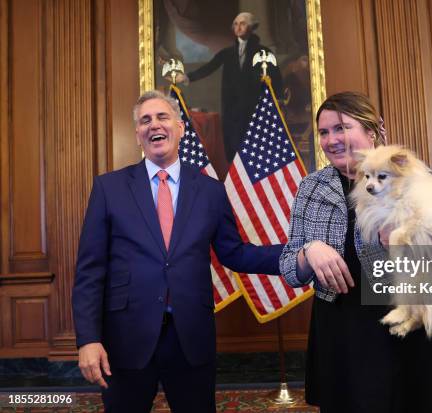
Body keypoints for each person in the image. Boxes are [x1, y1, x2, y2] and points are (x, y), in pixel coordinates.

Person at [279, 91, 432, 412]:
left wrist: (417, 239)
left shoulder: (411, 176)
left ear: (371, 131)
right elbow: (288, 267)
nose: (331, 140)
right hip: (346, 334)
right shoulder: (312, 187)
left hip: (416, 329)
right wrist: (310, 250)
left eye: (341, 128)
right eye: (323, 132)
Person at [72, 90, 283, 413]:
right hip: (126, 338)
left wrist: (294, 256)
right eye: (145, 120)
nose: (153, 125)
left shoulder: (211, 192)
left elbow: (235, 253)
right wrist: (88, 339)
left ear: (181, 127)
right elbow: (90, 271)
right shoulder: (108, 188)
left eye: (162, 117)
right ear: (138, 134)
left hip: (190, 338)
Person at [178, 12, 283, 162]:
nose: (238, 27)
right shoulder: (227, 53)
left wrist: (277, 99)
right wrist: (188, 77)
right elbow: (210, 67)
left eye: (243, 23)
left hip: (254, 109)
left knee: (255, 150)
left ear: (252, 27)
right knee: (232, 148)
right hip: (232, 110)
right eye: (236, 24)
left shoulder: (264, 53)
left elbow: (276, 78)